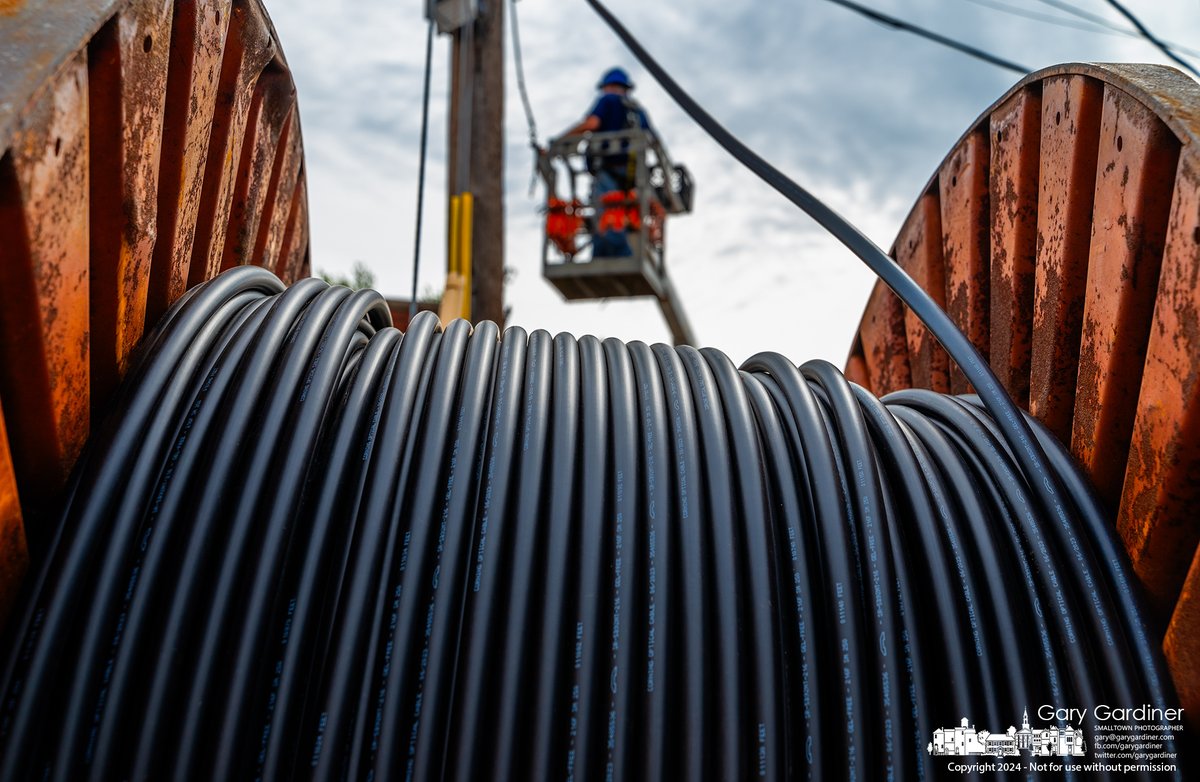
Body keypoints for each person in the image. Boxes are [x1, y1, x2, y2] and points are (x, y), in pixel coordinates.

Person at [551, 67, 652, 257]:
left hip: (609, 171)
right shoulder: (638, 112)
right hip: (633, 178)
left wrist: (559, 141)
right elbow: (652, 141)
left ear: (609, 86)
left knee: (607, 220)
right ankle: (614, 256)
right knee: (620, 217)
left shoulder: (607, 100)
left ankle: (614, 259)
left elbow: (591, 124)